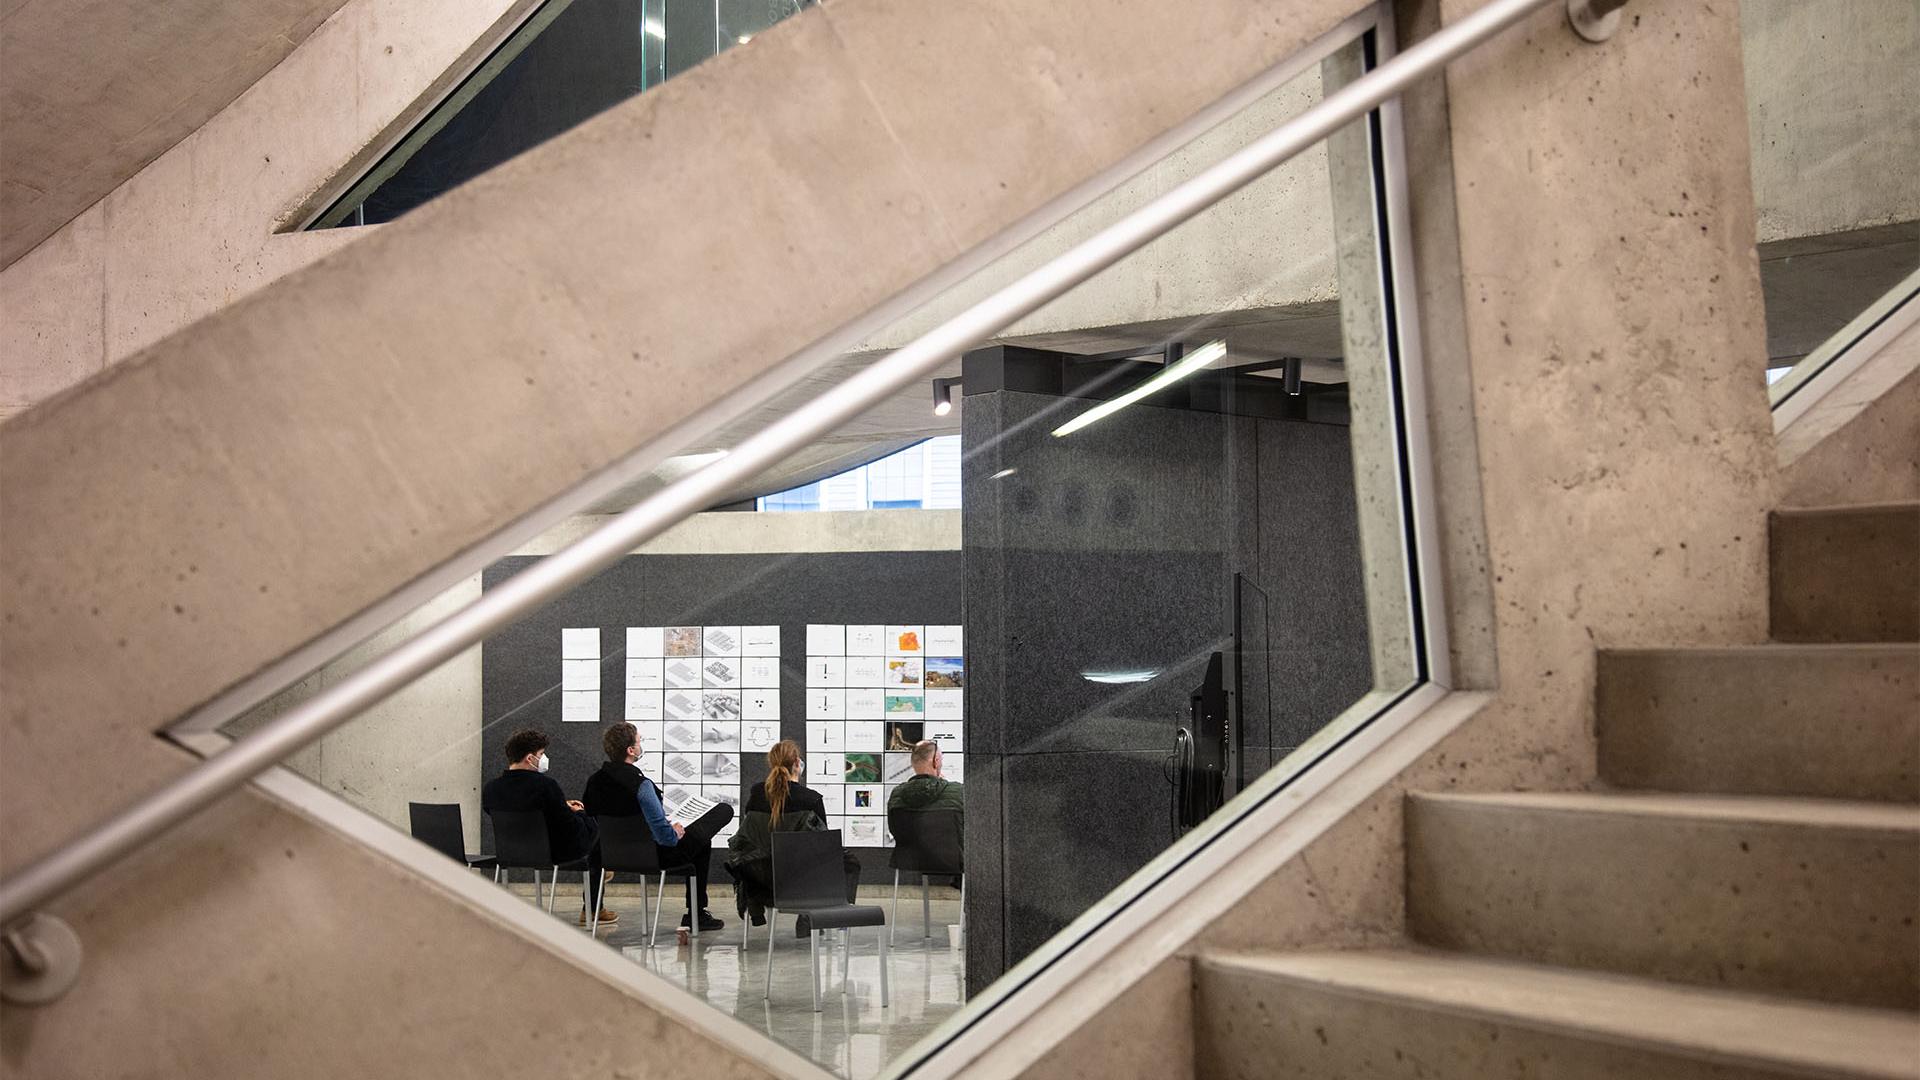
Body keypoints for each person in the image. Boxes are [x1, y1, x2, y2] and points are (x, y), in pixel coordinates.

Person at [582, 722, 731, 931]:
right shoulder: (642, 786)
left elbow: (595, 818)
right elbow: (666, 839)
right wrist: (674, 831)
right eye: (639, 741)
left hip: (610, 856)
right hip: (654, 856)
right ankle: (696, 914)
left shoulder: (594, 782)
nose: (641, 744)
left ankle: (696, 914)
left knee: (701, 843)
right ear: (631, 750)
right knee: (723, 811)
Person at [482, 728, 612, 926]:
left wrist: (562, 806)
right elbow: (565, 825)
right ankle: (598, 890)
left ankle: (598, 891)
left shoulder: (492, 788)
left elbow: (517, 811)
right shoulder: (546, 785)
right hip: (552, 853)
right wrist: (580, 813)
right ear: (530, 758)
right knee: (595, 827)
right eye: (542, 754)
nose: (544, 758)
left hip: (509, 853)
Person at [727, 739, 859, 925]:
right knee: (850, 862)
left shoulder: (756, 795)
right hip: (803, 885)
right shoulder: (811, 799)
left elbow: (750, 839)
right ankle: (819, 916)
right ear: (798, 763)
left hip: (761, 883)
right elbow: (823, 844)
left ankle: (754, 905)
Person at [887, 739, 964, 814]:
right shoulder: (959, 792)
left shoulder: (896, 795)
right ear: (936, 762)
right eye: (941, 759)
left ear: (913, 763)